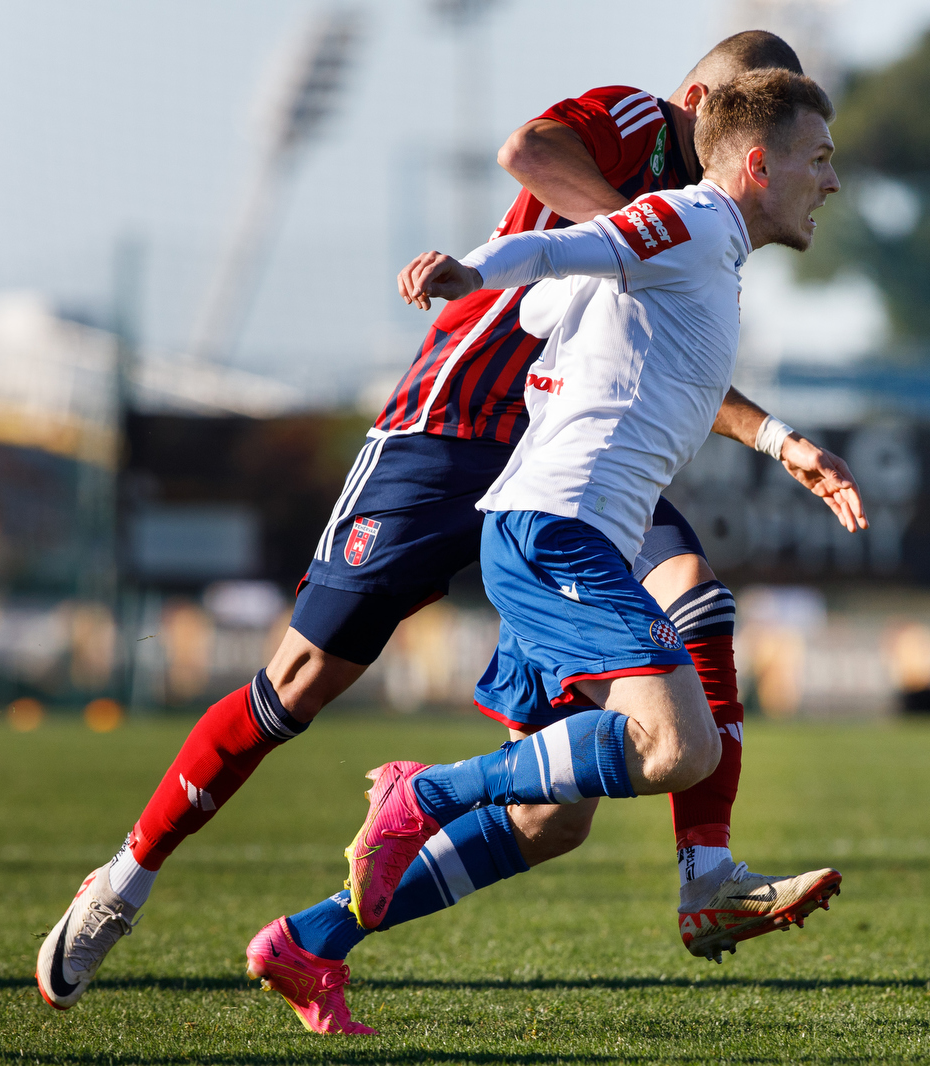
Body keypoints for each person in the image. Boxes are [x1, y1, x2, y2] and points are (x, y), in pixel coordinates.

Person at [37, 32, 863, 1015]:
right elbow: (527, 152)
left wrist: (773, 436)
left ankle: (334, 934)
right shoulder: (650, 143)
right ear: (704, 101)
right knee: (295, 685)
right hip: (451, 430)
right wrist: (633, 236)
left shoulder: (699, 235)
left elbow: (669, 343)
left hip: (560, 455)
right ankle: (123, 880)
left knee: (568, 796)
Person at [247, 66, 843, 1035]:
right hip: (553, 532)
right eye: (819, 160)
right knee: (678, 742)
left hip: (554, 529)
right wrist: (471, 272)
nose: (831, 182)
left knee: (551, 819)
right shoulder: (690, 222)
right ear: (759, 165)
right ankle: (425, 790)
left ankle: (312, 939)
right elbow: (586, 241)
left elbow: (565, 292)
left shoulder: (706, 255)